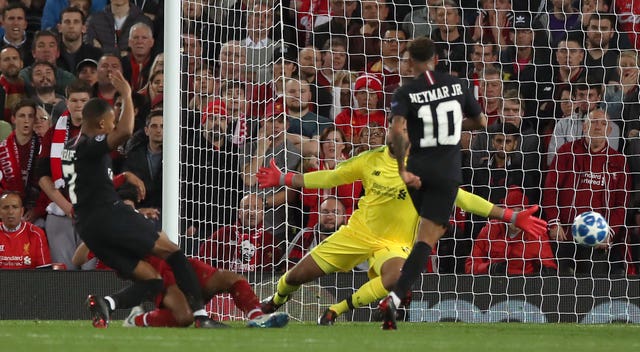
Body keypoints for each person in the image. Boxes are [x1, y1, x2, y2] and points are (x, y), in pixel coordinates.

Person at [256, 140, 547, 326]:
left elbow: (461, 197)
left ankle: (336, 309)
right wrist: (285, 178)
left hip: (394, 244)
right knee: (295, 276)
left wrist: (510, 215)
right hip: (356, 233)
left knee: (396, 277)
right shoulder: (369, 159)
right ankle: (275, 300)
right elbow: (330, 176)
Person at [61, 70, 221, 328]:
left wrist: (122, 176)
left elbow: (87, 183)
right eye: (110, 122)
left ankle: (107, 303)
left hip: (88, 228)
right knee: (174, 252)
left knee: (152, 280)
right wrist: (125, 93)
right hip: (109, 215)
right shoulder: (90, 144)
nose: (113, 126)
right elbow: (124, 132)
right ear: (101, 125)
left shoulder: (71, 147)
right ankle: (202, 317)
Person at [378, 36, 503, 330]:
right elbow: (483, 122)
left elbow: (396, 131)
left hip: (416, 171)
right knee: (427, 238)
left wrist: (401, 169)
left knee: (428, 231)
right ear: (436, 57)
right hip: (447, 171)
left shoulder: (406, 91)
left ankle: (396, 295)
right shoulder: (460, 86)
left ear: (410, 61)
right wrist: (450, 125)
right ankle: (394, 299)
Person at [466, 187, 558, 276]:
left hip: (524, 286)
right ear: (505, 213)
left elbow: (549, 265)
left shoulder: (536, 233)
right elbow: (470, 266)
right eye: (512, 211)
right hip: (492, 284)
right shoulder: (490, 229)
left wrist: (547, 272)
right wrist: (489, 268)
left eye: (520, 211)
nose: (516, 216)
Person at [0, 191, 51, 269]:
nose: (10, 212)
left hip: (29, 281)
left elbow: (44, 272)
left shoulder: (36, 234)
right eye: (5, 207)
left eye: (15, 207)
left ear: (22, 212)